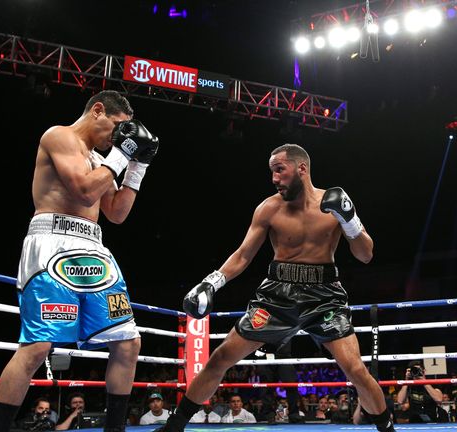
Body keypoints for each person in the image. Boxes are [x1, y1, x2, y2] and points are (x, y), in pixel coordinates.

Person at [158, 143, 394, 432]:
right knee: (220, 357)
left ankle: (387, 430)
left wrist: (350, 219)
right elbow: (244, 254)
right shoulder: (269, 208)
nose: (274, 178)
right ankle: (174, 427)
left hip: (325, 296)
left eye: (279, 170)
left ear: (301, 168)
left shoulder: (333, 203)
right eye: (271, 172)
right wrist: (211, 282)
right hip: (276, 295)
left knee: (356, 369)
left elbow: (365, 254)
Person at [0, 90, 159, 432]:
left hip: (94, 247)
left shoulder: (100, 160)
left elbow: (116, 213)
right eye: (116, 127)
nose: (118, 137)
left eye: (124, 133)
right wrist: (122, 154)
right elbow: (83, 191)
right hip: (51, 242)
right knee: (37, 347)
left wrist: (138, 166)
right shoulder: (59, 136)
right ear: (98, 110)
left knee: (128, 343)